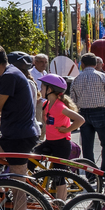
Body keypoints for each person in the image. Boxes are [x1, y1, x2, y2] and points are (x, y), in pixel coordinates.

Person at [0, 43, 40, 181]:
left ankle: (7, 197)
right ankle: (1, 196)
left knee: (18, 184)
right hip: (13, 135)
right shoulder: (8, 73)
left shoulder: (9, 76)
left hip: (19, 137)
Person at [36, 73, 85, 202]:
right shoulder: (46, 104)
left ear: (50, 90)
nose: (40, 89)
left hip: (61, 144)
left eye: (42, 87)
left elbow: (80, 120)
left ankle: (61, 205)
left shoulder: (60, 106)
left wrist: (67, 129)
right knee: (30, 161)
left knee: (59, 175)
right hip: (49, 142)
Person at [71, 53, 105, 174]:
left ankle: (90, 173)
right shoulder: (103, 76)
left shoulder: (76, 79)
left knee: (87, 145)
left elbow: (73, 100)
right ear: (96, 64)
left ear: (83, 64)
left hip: (83, 113)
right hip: (100, 112)